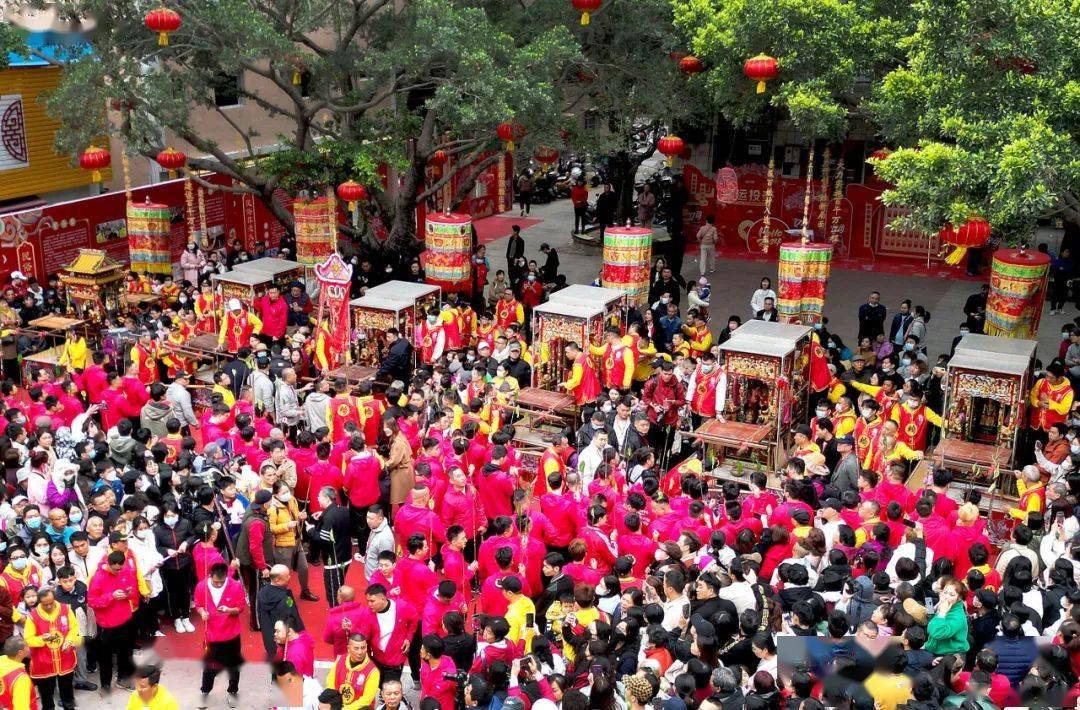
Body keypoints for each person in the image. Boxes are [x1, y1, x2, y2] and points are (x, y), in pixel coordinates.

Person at [194, 562, 245, 708]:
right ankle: (205, 692)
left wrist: (230, 610)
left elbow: (240, 608)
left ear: (226, 576)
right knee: (209, 666)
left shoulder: (235, 586)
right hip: (212, 636)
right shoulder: (201, 586)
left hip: (232, 635)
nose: (218, 584)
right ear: (210, 576)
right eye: (216, 582)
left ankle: (233, 692)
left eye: (221, 582)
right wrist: (202, 612)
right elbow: (198, 604)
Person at [24, 585, 80, 710]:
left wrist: (69, 639)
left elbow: (74, 627)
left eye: (51, 603)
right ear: (39, 602)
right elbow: (29, 640)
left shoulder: (66, 609)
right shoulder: (33, 616)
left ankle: (69, 706)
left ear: (55, 599)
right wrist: (42, 639)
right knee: (46, 695)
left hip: (65, 658)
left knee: (67, 692)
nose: (49, 606)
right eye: (45, 604)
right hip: (43, 662)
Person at [256, 565, 305, 662]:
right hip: (286, 643)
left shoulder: (261, 593)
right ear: (277, 580)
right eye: (287, 575)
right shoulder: (286, 599)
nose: (290, 577)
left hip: (269, 641)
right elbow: (293, 619)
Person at [326, 633, 380, 709]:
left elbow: (366, 700)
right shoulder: (340, 660)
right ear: (348, 648)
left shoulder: (373, 671)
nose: (360, 652)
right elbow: (330, 682)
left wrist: (344, 709)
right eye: (356, 648)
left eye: (363, 648)